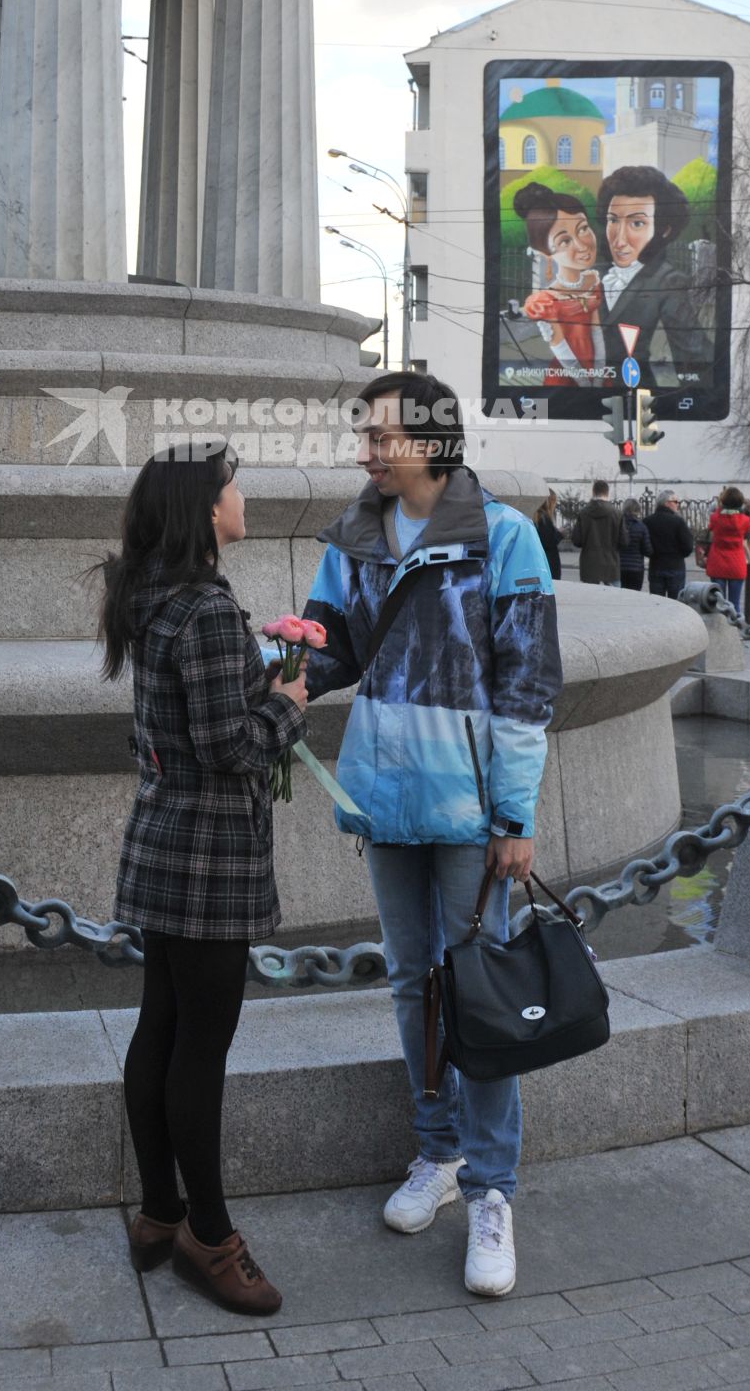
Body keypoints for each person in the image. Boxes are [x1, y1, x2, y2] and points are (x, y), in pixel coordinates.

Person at [301, 371, 562, 1299]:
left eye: (378, 436)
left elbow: (528, 687)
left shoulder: (504, 538)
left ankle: (492, 1190)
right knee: (415, 984)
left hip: (470, 806)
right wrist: (287, 667)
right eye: (364, 436)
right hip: (386, 797)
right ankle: (437, 1152)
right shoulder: (357, 535)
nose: (364, 450)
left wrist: (515, 817)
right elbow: (333, 644)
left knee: (477, 994)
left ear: (429, 442)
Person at [99, 441, 307, 1315]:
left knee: (161, 1026)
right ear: (205, 509)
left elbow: (182, 724)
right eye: (233, 486)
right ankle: (210, 1240)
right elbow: (231, 746)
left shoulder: (151, 601)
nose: (242, 496)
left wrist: (255, 687)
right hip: (209, 856)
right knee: (201, 1050)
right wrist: (288, 708)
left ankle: (156, 1213)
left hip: (162, 840)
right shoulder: (209, 610)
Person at [594, 166, 709, 388]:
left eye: (637, 223)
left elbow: (694, 356)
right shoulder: (593, 275)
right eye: (613, 220)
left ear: (663, 230)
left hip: (634, 396)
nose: (619, 238)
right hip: (578, 397)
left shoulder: (668, 281)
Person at [513, 184, 604, 386]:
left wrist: (599, 376)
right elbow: (560, 348)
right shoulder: (545, 301)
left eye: (583, 229)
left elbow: (597, 333)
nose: (582, 245)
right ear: (546, 252)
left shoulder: (592, 282)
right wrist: (585, 384)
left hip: (598, 375)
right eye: (564, 241)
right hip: (566, 379)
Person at [704, 485, 750, 615]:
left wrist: (720, 507)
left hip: (717, 561)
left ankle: (720, 631)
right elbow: (744, 536)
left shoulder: (715, 518)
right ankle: (735, 630)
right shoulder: (745, 520)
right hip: (736, 563)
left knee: (718, 603)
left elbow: (712, 531)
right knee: (734, 603)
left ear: (723, 501)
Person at [569, 480, 623, 586]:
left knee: (590, 600)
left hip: (589, 565)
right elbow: (624, 541)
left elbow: (577, 540)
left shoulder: (584, 512)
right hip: (611, 564)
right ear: (607, 493)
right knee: (615, 600)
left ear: (593, 492)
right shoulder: (617, 513)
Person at [645, 492, 694, 598]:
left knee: (656, 601)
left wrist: (652, 554)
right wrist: (680, 555)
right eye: (675, 502)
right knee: (676, 602)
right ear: (667, 503)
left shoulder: (648, 521)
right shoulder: (678, 522)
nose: (678, 504)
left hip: (656, 565)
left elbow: (644, 544)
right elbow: (688, 545)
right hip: (675, 566)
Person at [617, 497, 652, 592]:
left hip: (619, 566)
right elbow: (647, 550)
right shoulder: (641, 527)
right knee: (634, 595)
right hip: (636, 568)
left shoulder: (617, 525)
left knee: (620, 595)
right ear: (638, 510)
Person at [534, 489, 564, 579]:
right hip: (549, 562)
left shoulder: (536, 517)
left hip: (541, 561)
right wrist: (559, 534)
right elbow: (548, 542)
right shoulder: (544, 518)